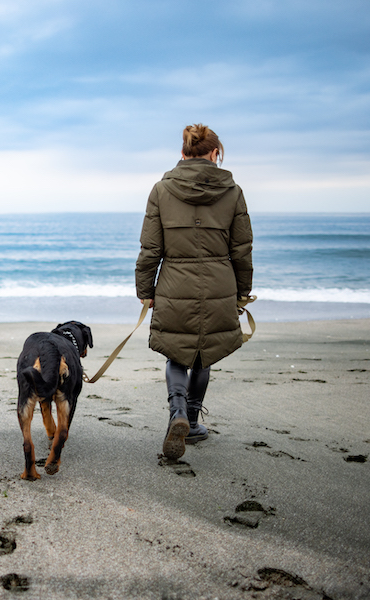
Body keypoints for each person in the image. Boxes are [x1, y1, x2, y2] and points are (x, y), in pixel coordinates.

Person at [135, 123, 253, 460]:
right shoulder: (233, 192)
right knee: (205, 352)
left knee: (177, 352)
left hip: (175, 282)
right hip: (219, 283)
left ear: (183, 153)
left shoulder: (161, 190)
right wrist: (242, 293)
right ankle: (194, 419)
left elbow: (149, 249)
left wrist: (146, 289)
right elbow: (242, 250)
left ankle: (178, 414)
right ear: (215, 153)